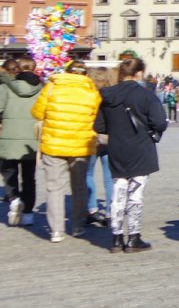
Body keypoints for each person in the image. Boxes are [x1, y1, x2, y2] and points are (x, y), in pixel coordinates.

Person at [95, 56, 168, 252]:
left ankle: (116, 237)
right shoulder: (145, 95)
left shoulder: (107, 96)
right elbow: (160, 122)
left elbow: (99, 126)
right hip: (140, 148)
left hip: (117, 149)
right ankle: (134, 237)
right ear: (139, 73)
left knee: (118, 193)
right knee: (135, 195)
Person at [31, 58, 101, 241]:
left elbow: (37, 112)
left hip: (53, 144)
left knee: (54, 187)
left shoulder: (52, 87)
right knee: (79, 187)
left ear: (67, 71)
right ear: (85, 74)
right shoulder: (91, 91)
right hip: (81, 145)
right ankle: (78, 226)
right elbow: (97, 118)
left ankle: (56, 231)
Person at [0, 57, 42, 228]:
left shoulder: (5, 88)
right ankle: (28, 214)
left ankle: (14, 199)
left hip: (9, 137)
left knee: (9, 174)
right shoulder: (42, 89)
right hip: (31, 140)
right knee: (29, 178)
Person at [84, 65, 117, 228]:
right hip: (108, 137)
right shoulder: (112, 95)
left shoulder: (87, 95)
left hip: (90, 137)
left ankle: (92, 209)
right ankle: (111, 211)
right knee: (109, 176)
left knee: (88, 173)